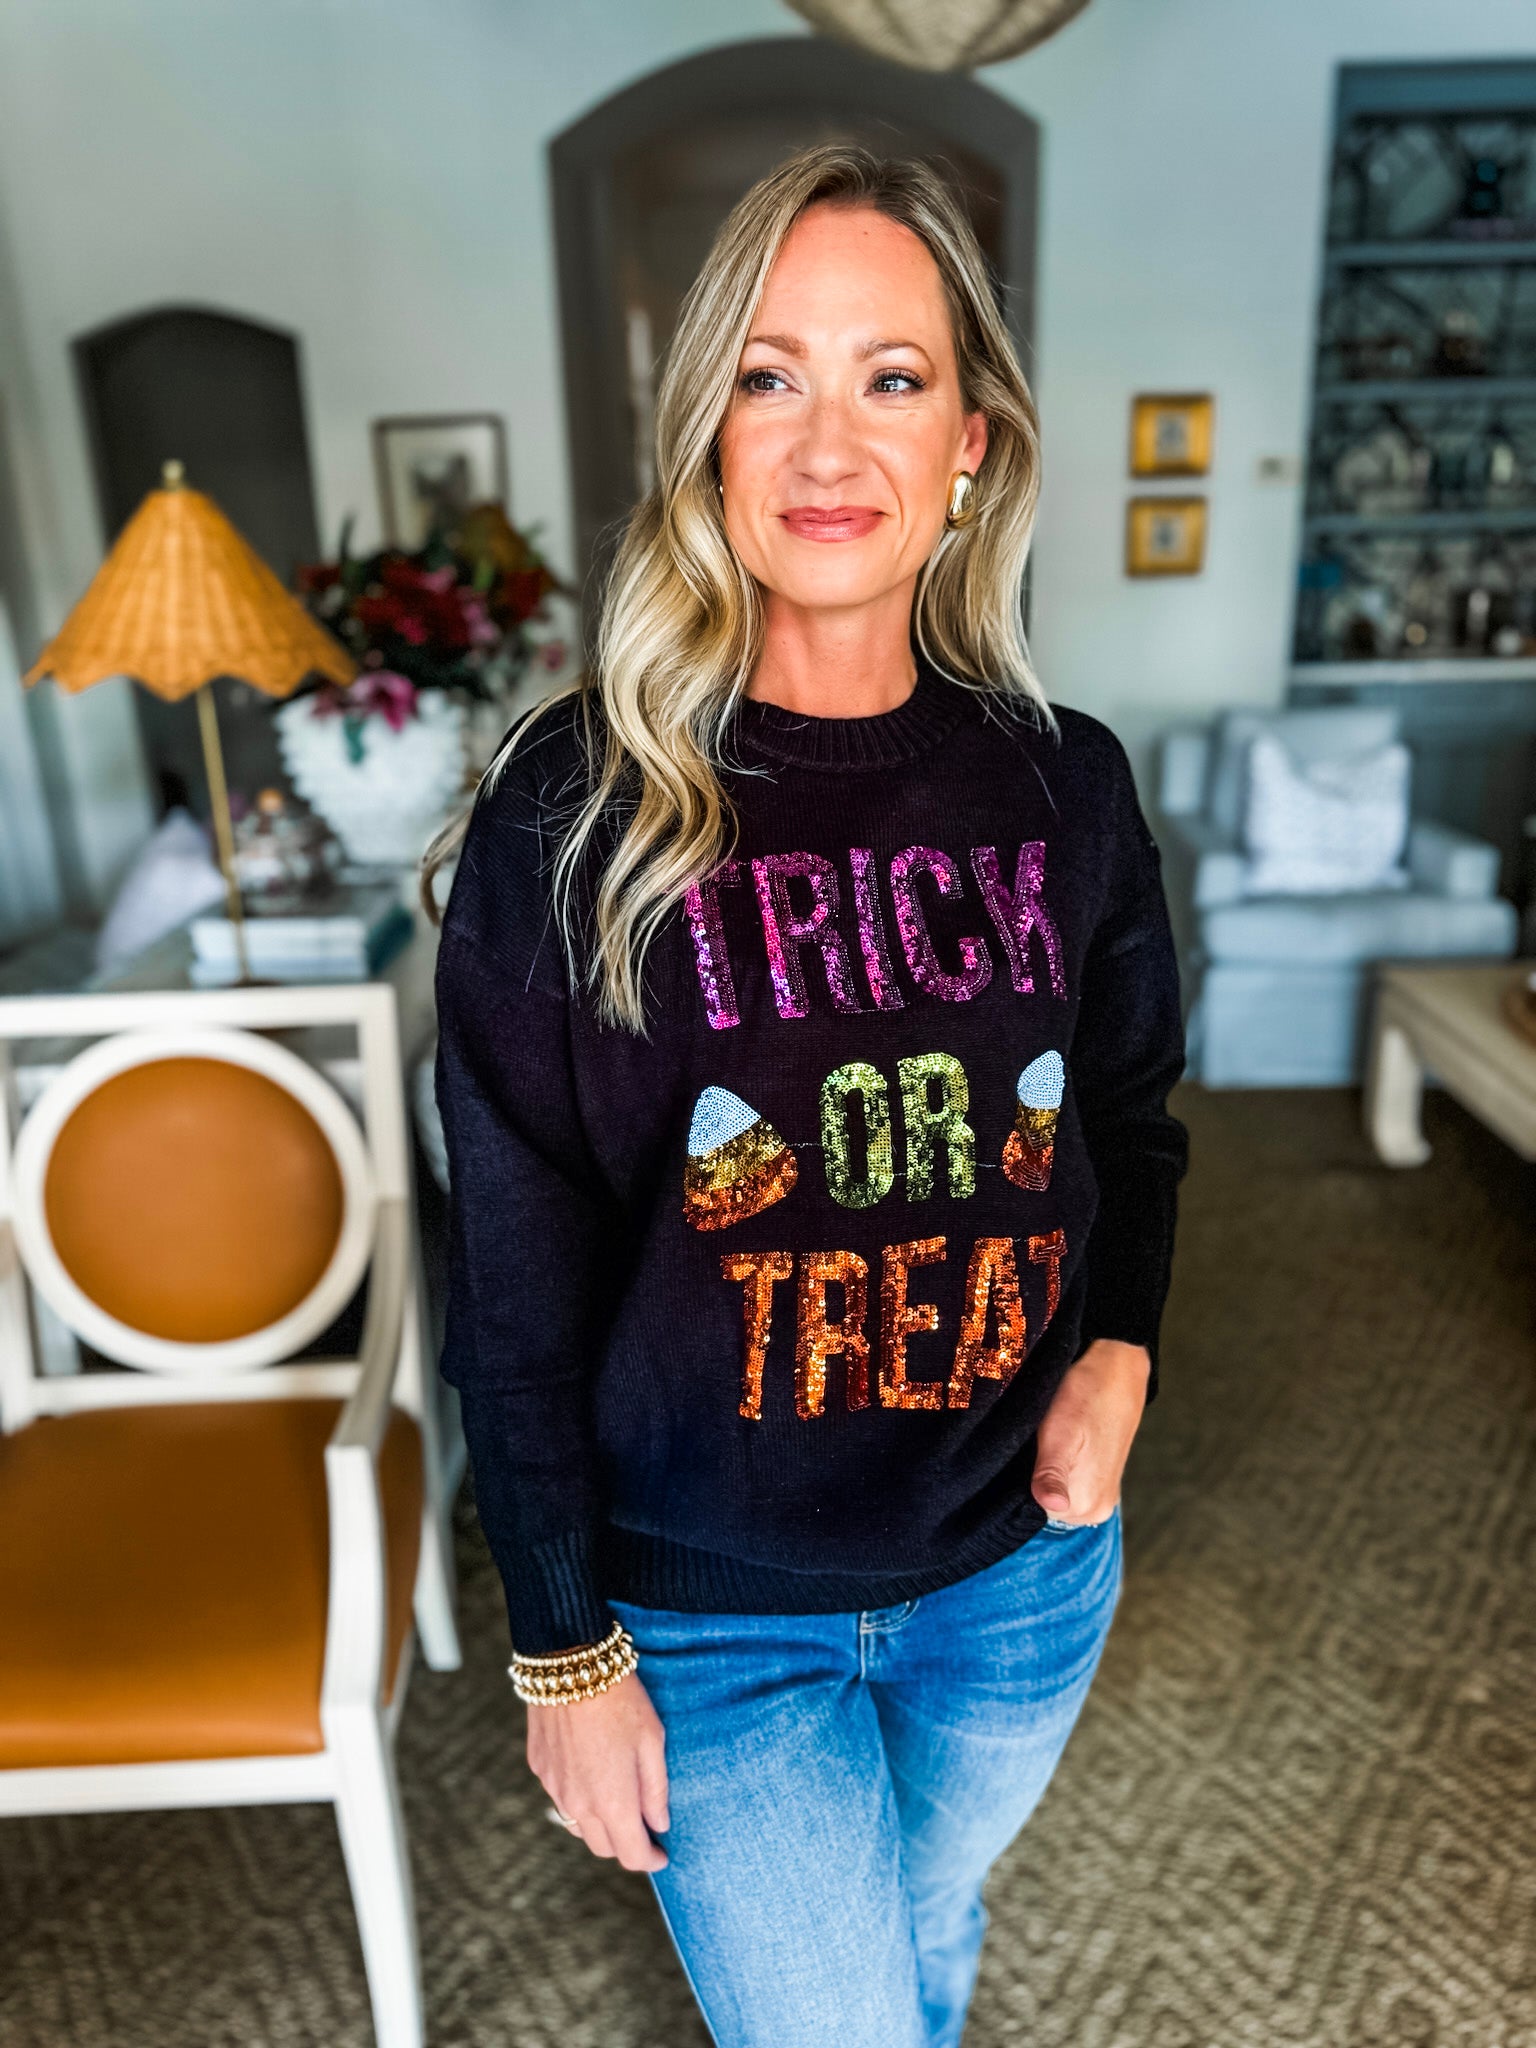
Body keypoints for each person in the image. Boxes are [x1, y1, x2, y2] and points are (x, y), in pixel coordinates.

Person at [427, 141, 1188, 2048]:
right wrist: (560, 1642)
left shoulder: (1066, 786)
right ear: (706, 435)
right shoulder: (573, 809)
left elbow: (1132, 1114)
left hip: (1018, 1574)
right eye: (769, 376)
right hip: (706, 1611)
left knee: (922, 1925)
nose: (829, 444)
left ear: (972, 447)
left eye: (892, 377)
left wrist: (1121, 1350)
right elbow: (510, 1259)